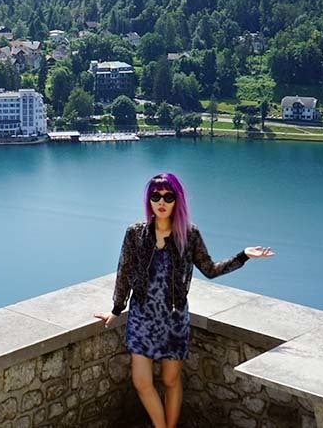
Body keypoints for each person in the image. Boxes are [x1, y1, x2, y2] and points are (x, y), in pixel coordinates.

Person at [94, 173, 274, 428]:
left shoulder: (188, 235)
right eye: (155, 196)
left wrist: (243, 255)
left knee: (170, 380)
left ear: (177, 200)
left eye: (168, 196)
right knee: (141, 381)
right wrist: (116, 308)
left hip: (173, 320)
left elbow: (210, 269)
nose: (162, 202)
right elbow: (124, 271)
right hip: (141, 319)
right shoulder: (135, 233)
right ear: (149, 200)